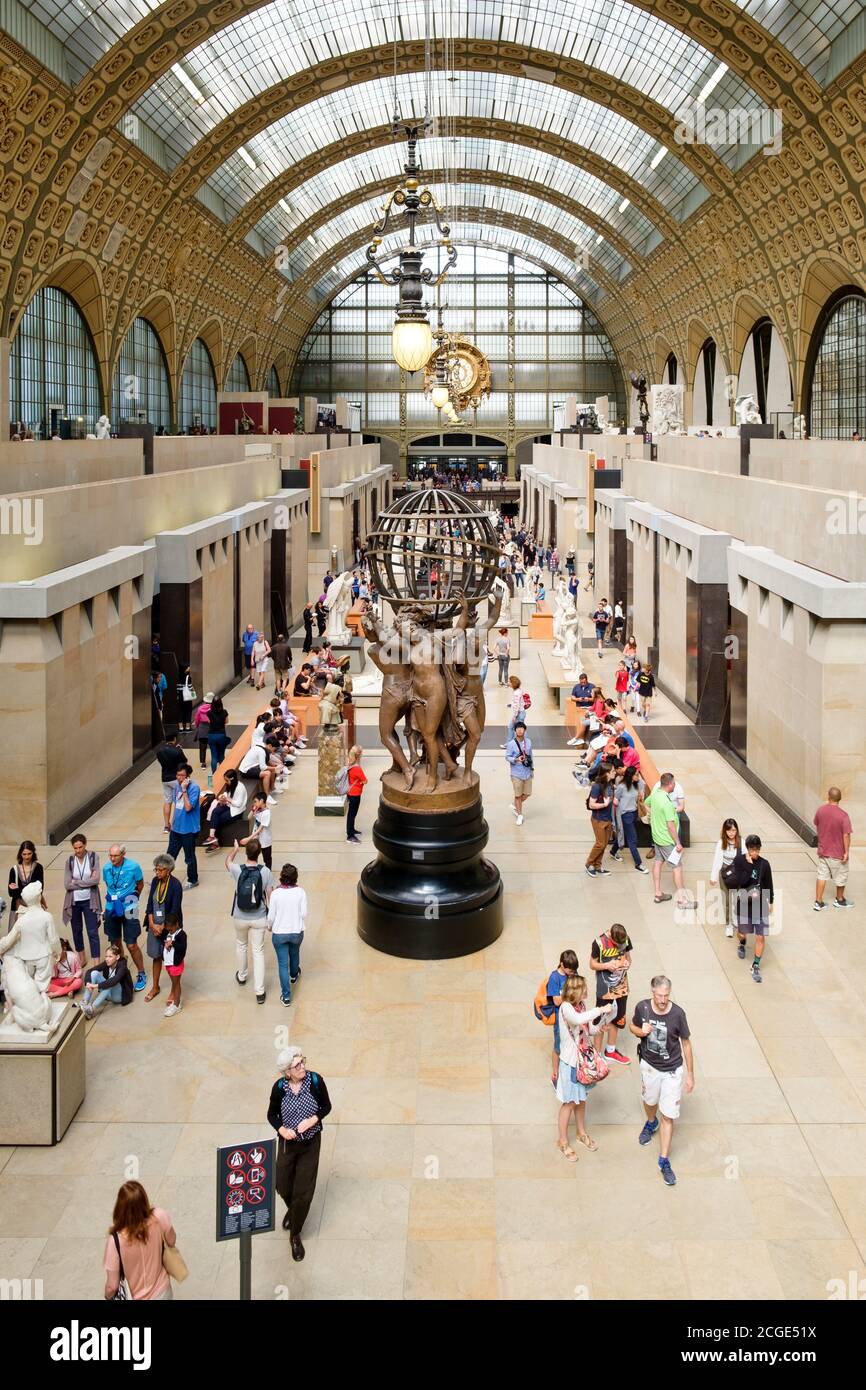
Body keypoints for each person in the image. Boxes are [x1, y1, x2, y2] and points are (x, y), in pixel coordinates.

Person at [267, 1047, 332, 1262]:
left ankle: (295, 1233)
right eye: (297, 1065)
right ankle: (295, 1209)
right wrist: (282, 1129)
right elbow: (272, 1114)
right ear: (287, 1072)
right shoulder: (279, 1088)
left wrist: (312, 1120)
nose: (303, 1066)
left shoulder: (315, 1081)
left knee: (303, 1191)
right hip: (288, 1143)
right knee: (282, 1184)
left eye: (302, 1061)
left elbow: (326, 1106)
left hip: (310, 1143)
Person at [630, 975, 694, 1187]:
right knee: (650, 1103)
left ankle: (664, 1160)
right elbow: (632, 1027)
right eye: (659, 996)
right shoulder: (643, 1008)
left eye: (666, 996)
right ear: (652, 993)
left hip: (672, 1071)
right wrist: (641, 1031)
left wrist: (690, 1075)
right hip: (649, 1066)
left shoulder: (677, 1014)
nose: (663, 1000)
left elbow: (686, 1044)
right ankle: (650, 1122)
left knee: (668, 1115)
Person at [554, 975, 615, 1160]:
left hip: (582, 1061)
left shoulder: (580, 1007)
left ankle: (581, 1133)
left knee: (581, 1098)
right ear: (576, 991)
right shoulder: (566, 1008)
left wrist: (600, 1028)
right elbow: (579, 1019)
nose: (587, 991)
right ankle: (563, 1141)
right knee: (569, 1103)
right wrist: (601, 1009)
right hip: (571, 1063)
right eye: (584, 988)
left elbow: (586, 1029)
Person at [103, 1181, 179, 1301]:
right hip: (163, 1292)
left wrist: (107, 1296)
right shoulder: (159, 1216)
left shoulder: (115, 1241)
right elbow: (172, 1240)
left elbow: (112, 1286)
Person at [226, 838, 274, 1004]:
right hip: (259, 916)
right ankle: (259, 991)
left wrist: (235, 849)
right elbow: (270, 896)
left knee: (241, 945)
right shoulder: (265, 871)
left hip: (240, 916)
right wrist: (271, 918)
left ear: (247, 853)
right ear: (259, 853)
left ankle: (242, 975)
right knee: (258, 951)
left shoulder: (238, 870)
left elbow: (228, 862)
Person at [728, 834, 774, 984]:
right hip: (744, 902)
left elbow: (768, 883)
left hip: (759, 903)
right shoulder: (740, 861)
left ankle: (755, 965)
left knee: (760, 936)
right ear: (747, 849)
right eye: (752, 849)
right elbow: (741, 881)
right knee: (742, 933)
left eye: (757, 849)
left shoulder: (764, 864)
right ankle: (742, 943)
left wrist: (770, 901)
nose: (755, 852)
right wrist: (748, 865)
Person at [645, 774, 694, 910]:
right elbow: (671, 826)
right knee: (677, 867)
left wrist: (654, 817)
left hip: (657, 837)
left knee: (658, 862)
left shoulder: (655, 794)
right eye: (674, 783)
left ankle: (658, 893)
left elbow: (646, 804)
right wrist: (678, 843)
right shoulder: (666, 803)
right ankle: (682, 900)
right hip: (667, 839)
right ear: (670, 784)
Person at [102, 845, 147, 990]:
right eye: (110, 856)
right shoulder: (106, 868)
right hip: (111, 907)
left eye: (115, 856)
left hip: (130, 906)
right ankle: (120, 971)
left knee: (132, 944)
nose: (112, 859)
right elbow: (108, 886)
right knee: (115, 943)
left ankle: (141, 973)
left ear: (123, 854)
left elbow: (140, 883)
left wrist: (134, 897)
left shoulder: (133, 866)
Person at [590, 922, 633, 1064]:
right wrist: (606, 965)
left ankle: (611, 1051)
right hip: (604, 988)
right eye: (617, 945)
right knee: (600, 1020)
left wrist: (626, 963)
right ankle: (596, 1055)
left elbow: (628, 958)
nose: (621, 947)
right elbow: (592, 964)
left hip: (621, 986)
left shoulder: (625, 938)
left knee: (618, 1017)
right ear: (611, 938)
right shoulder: (599, 943)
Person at [143, 853, 183, 1002]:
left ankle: (174, 990)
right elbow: (149, 905)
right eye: (156, 869)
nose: (157, 872)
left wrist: (163, 927)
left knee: (171, 960)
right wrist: (152, 923)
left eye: (160, 870)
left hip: (169, 927)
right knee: (156, 957)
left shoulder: (176, 885)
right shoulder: (155, 881)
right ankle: (155, 987)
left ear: (168, 870)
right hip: (154, 925)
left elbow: (174, 910)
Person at [267, 863, 307, 1005]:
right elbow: (304, 914)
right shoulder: (301, 892)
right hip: (296, 932)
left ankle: (286, 996)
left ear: (281, 877)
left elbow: (271, 916)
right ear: (295, 878)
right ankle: (294, 975)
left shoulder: (276, 894)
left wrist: (269, 926)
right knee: (295, 954)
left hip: (279, 934)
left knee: (283, 964)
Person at [539, 948, 578, 1084]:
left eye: (574, 971)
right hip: (560, 1020)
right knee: (558, 1046)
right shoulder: (555, 978)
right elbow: (556, 1001)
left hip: (573, 1015)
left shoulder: (573, 973)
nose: (573, 974)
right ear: (562, 965)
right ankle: (555, 1074)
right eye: (570, 971)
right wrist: (570, 992)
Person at [62, 834, 102, 963]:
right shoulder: (70, 861)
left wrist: (77, 882)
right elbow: (67, 884)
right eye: (75, 848)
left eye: (80, 847)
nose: (78, 850)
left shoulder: (93, 857)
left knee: (92, 932)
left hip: (90, 900)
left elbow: (95, 880)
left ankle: (96, 961)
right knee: (76, 930)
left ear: (85, 845)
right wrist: (86, 883)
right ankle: (82, 957)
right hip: (74, 902)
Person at [813, 786, 853, 911]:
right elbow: (846, 835)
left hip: (823, 851)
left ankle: (818, 902)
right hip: (837, 853)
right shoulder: (843, 816)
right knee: (841, 876)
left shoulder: (820, 811)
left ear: (828, 797)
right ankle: (839, 900)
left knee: (821, 876)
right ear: (840, 798)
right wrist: (846, 852)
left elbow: (817, 824)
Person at [167, 763, 200, 889]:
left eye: (182, 775)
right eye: (178, 775)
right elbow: (176, 806)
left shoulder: (194, 788)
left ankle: (193, 879)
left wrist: (184, 790)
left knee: (189, 857)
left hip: (189, 830)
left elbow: (187, 808)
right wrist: (171, 822)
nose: (179, 778)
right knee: (169, 855)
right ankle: (163, 877)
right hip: (176, 828)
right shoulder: (176, 787)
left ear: (188, 777)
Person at [80, 943, 133, 1017]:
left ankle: (91, 1009)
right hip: (108, 994)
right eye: (106, 956)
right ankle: (84, 1002)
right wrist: (88, 983)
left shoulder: (122, 966)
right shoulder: (107, 963)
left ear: (117, 957)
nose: (107, 959)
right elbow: (89, 971)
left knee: (111, 982)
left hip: (119, 996)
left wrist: (96, 986)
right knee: (94, 973)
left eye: (110, 956)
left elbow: (114, 980)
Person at [612, 766, 648, 872]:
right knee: (633, 840)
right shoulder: (622, 787)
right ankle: (638, 863)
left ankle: (613, 851)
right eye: (636, 774)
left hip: (634, 813)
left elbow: (643, 784)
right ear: (630, 776)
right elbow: (616, 799)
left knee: (624, 835)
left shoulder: (637, 784)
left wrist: (641, 793)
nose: (638, 776)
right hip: (625, 815)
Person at [710, 817, 741, 937]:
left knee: (736, 899)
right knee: (727, 900)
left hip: (737, 874)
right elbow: (717, 860)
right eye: (729, 830)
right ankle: (729, 925)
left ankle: (736, 919)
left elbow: (745, 860)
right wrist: (713, 877)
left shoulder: (741, 842)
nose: (731, 833)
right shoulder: (721, 843)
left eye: (733, 830)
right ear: (725, 831)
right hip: (725, 874)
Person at [203, 767, 248, 848]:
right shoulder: (231, 785)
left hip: (237, 810)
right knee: (215, 811)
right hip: (229, 806)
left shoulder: (240, 788)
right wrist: (222, 797)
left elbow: (238, 804)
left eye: (227, 780)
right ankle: (212, 836)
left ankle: (216, 844)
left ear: (232, 779)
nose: (226, 782)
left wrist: (227, 799)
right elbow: (226, 794)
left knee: (219, 819)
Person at [8, 840, 45, 925]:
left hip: (34, 908)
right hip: (17, 909)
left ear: (33, 853)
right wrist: (29, 889)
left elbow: (39, 890)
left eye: (29, 854)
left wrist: (18, 889)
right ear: (20, 854)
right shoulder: (14, 870)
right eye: (24, 854)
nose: (27, 857)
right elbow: (11, 893)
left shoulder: (38, 868)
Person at [585, 767, 613, 876]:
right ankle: (589, 863)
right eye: (612, 771)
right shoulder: (596, 787)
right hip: (598, 819)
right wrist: (604, 805)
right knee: (600, 844)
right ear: (606, 773)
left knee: (604, 844)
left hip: (608, 819)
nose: (614, 773)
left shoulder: (610, 785)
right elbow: (592, 804)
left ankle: (597, 865)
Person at [156, 730, 186, 833]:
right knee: (180, 801)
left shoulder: (160, 751)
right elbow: (184, 762)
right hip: (176, 778)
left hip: (165, 778)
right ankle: (178, 823)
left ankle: (166, 826)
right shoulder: (177, 750)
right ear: (174, 739)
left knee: (168, 802)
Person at [505, 720, 533, 826]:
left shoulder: (529, 742)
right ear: (515, 731)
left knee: (527, 793)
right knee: (518, 795)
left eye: (522, 728)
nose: (520, 730)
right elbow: (507, 757)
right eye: (518, 729)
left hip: (527, 771)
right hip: (516, 773)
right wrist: (516, 759)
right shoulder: (511, 744)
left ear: (524, 730)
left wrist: (532, 769)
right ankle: (520, 814)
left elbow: (531, 755)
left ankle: (515, 805)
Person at [161, 913, 187, 1017]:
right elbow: (165, 940)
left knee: (176, 984)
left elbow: (182, 948)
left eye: (171, 929)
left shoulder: (181, 934)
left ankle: (176, 1005)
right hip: (168, 963)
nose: (169, 931)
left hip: (176, 964)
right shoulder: (167, 932)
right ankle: (176, 1002)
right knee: (174, 983)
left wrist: (173, 943)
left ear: (176, 924)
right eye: (168, 929)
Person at [241, 792, 273, 869]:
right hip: (256, 839)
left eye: (255, 801)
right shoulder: (258, 810)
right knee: (253, 856)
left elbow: (260, 829)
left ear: (261, 801)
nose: (254, 803)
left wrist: (248, 838)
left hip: (265, 841)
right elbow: (249, 817)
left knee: (267, 858)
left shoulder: (266, 813)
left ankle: (268, 872)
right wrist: (253, 809)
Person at [346, 745, 367, 843]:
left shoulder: (350, 764)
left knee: (352, 814)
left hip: (350, 793)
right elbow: (365, 780)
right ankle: (350, 836)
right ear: (358, 755)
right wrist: (362, 781)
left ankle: (352, 830)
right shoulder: (357, 768)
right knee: (352, 814)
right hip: (355, 794)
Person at [206, 697, 230, 772]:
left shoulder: (209, 712)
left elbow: (208, 722)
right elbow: (226, 722)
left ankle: (214, 774)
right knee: (221, 755)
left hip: (211, 735)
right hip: (221, 735)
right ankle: (223, 772)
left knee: (214, 756)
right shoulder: (224, 712)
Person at [193, 693, 212, 770]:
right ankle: (215, 760)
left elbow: (196, 719)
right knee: (212, 746)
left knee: (202, 748)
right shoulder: (213, 709)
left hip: (202, 729)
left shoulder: (200, 709)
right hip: (210, 729)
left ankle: (203, 764)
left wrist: (198, 726)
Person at [177, 665, 196, 732]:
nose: (189, 668)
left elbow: (177, 688)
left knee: (180, 711)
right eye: (188, 667)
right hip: (187, 697)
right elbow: (190, 688)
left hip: (180, 697)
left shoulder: (177, 676)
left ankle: (180, 728)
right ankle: (187, 728)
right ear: (184, 669)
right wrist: (193, 692)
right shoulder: (188, 677)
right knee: (188, 711)